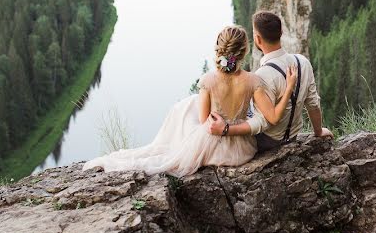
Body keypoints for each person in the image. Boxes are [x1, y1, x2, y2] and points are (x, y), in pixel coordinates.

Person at [82, 25, 298, 176]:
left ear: (221, 50)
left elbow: (204, 120)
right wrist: (288, 88)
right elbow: (273, 117)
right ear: (245, 51)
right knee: (188, 107)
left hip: (212, 148)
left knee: (185, 109)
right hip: (242, 152)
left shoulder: (208, 80)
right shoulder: (253, 81)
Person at [208, 11, 332, 148]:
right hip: (292, 136)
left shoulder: (262, 75)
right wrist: (318, 131)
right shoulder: (303, 62)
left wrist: (226, 129)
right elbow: (313, 103)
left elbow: (262, 122)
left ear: (258, 39)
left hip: (267, 141)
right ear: (281, 33)